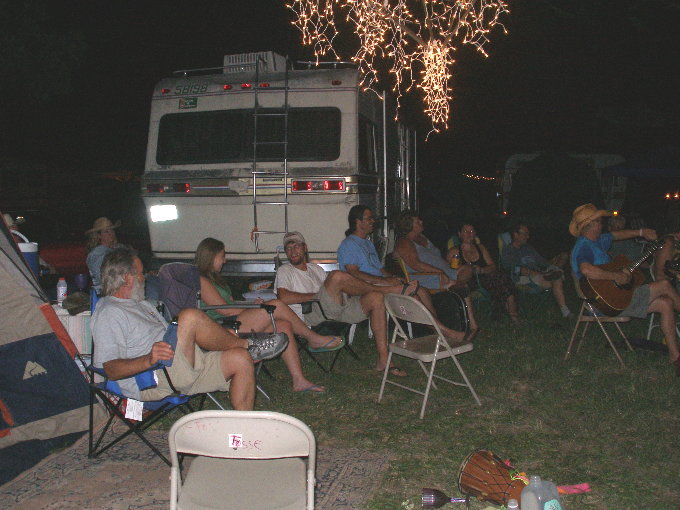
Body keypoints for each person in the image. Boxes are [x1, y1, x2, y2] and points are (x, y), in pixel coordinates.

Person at [91, 247, 287, 410]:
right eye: (141, 273)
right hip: (154, 377)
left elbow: (173, 338)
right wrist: (148, 359)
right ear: (127, 278)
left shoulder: (142, 305)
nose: (144, 278)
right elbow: (110, 369)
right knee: (189, 317)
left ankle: (245, 430)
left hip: (182, 366)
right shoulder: (110, 312)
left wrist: (219, 338)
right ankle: (248, 345)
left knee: (240, 359)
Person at [196, 237, 343, 393]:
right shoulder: (201, 281)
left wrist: (252, 305)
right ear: (211, 257)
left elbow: (231, 304)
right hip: (221, 328)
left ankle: (299, 380)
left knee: (283, 325)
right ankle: (313, 338)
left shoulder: (216, 280)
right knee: (276, 305)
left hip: (234, 320)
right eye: (222, 256)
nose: (224, 260)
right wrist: (255, 308)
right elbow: (225, 310)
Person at [275, 231, 418, 377]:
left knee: (375, 297)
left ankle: (384, 359)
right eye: (288, 248)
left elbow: (331, 292)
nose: (293, 251)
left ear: (304, 248)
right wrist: (316, 296)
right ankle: (390, 289)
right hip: (312, 313)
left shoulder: (316, 269)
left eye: (296, 246)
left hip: (335, 308)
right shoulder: (285, 270)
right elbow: (283, 297)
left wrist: (345, 291)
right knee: (336, 276)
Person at [569, 203, 680, 376]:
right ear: (592, 224)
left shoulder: (596, 240)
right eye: (599, 221)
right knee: (664, 285)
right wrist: (615, 276)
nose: (602, 224)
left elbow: (616, 235)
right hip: (603, 303)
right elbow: (586, 270)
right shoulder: (584, 246)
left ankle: (675, 357)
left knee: (665, 304)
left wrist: (641, 232)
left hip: (616, 298)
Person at [337, 205, 475, 343]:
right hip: (366, 288)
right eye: (369, 218)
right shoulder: (349, 244)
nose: (373, 221)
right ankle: (448, 333)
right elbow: (353, 273)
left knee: (421, 291)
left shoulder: (367, 243)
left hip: (380, 283)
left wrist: (392, 277)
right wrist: (383, 281)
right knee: (412, 294)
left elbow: (380, 269)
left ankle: (437, 330)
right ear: (358, 222)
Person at [393, 211, 479, 329]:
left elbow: (435, 258)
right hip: (428, 277)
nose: (421, 221)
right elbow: (416, 264)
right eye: (417, 221)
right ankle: (473, 325)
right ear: (409, 225)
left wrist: (448, 264)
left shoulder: (423, 238)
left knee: (468, 268)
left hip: (445, 273)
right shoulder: (404, 242)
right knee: (463, 286)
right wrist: (440, 272)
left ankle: (456, 284)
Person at [449, 223, 520, 323]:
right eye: (466, 231)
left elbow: (492, 266)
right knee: (501, 281)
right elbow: (449, 271)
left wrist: (481, 270)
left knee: (502, 278)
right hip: (467, 281)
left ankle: (511, 312)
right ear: (460, 234)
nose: (469, 234)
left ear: (475, 234)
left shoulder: (480, 248)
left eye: (472, 231)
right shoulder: (454, 251)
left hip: (484, 277)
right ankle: (510, 313)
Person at [501, 223, 572, 318]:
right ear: (516, 234)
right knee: (556, 279)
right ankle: (564, 310)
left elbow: (543, 262)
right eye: (525, 234)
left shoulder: (528, 248)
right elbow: (511, 268)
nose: (528, 237)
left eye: (528, 234)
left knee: (563, 257)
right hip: (524, 278)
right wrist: (536, 273)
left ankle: (553, 275)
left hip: (539, 274)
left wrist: (555, 261)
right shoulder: (509, 250)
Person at [86, 217, 125, 293]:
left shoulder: (119, 248)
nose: (111, 234)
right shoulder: (97, 254)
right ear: (99, 235)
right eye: (106, 231)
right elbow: (102, 278)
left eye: (112, 230)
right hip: (106, 292)